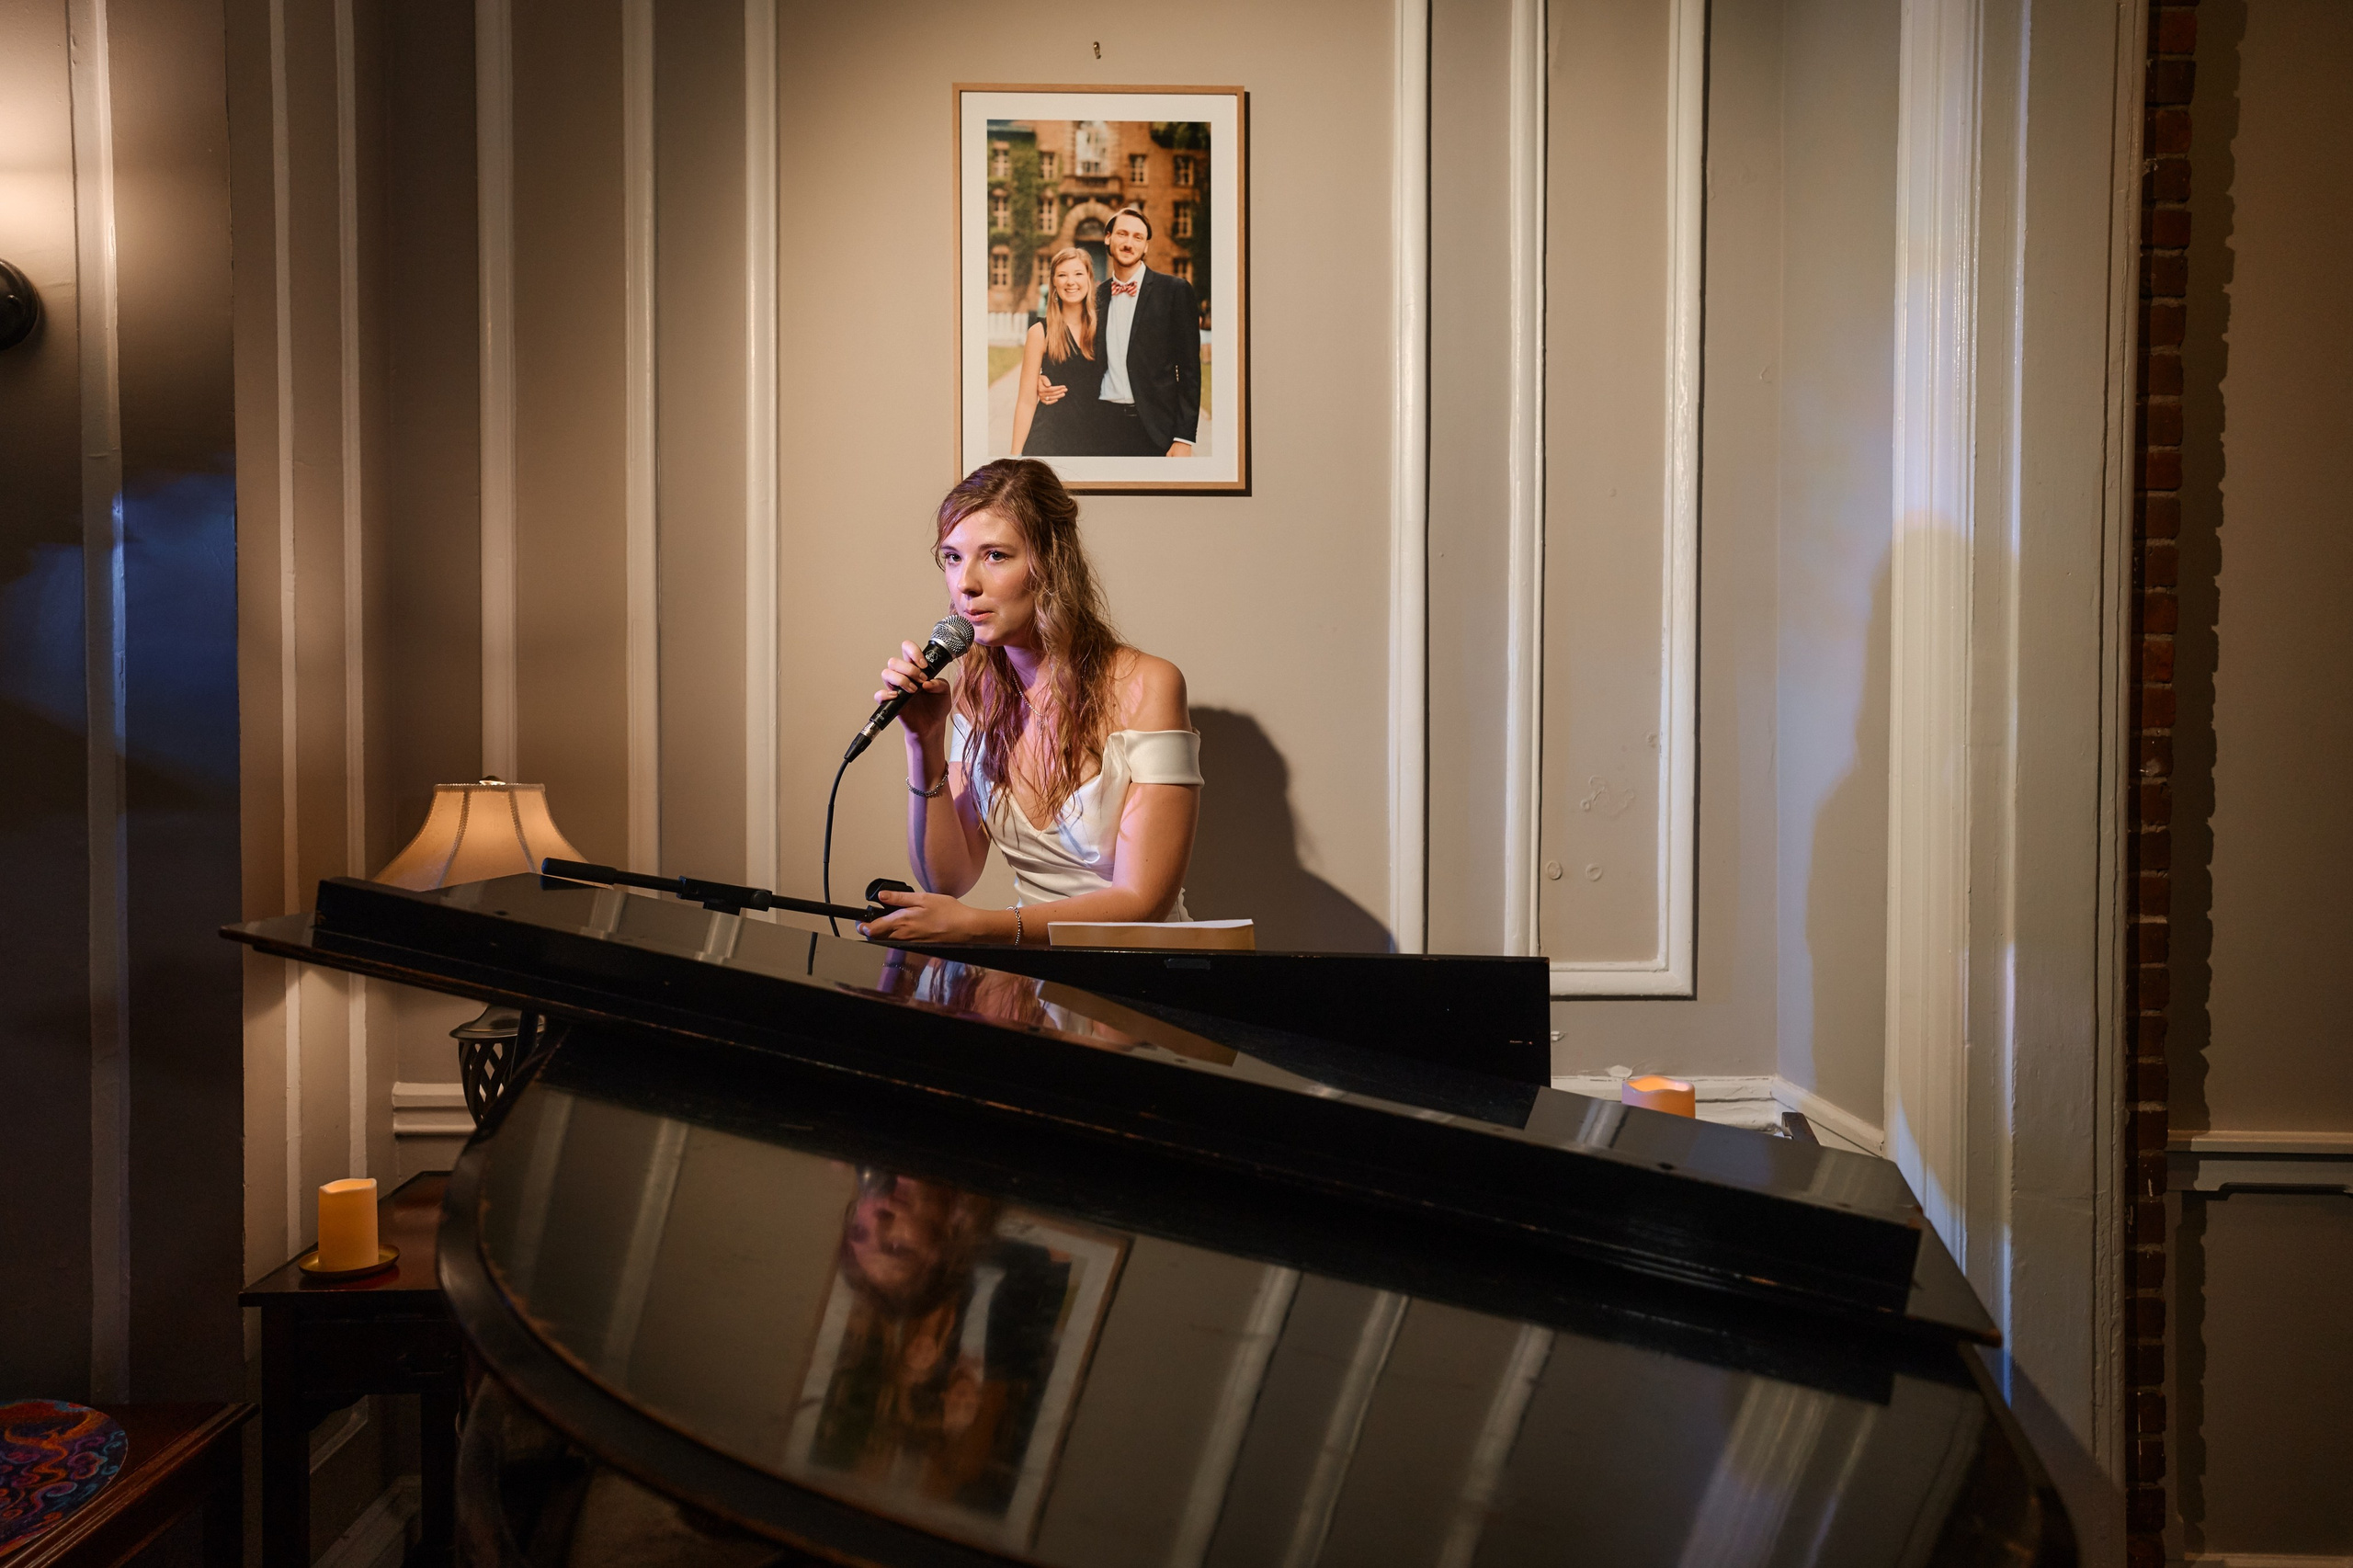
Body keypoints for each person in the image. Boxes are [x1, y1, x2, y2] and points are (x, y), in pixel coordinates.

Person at [859, 459, 1200, 944]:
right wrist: (924, 743)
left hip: (1137, 969)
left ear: (1051, 561)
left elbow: (1144, 901)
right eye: (953, 557)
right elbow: (949, 879)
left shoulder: (1150, 685)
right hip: (1033, 976)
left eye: (995, 555)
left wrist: (984, 926)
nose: (965, 584)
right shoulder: (977, 695)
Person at [1089, 206, 1201, 457]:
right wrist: (1043, 376)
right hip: (1102, 427)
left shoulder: (1174, 291)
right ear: (1108, 238)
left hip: (1155, 429)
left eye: (1138, 237)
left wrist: (1183, 437)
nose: (1129, 243)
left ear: (1146, 246)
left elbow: (1190, 370)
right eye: (1122, 234)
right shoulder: (1096, 297)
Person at [1010, 248, 1109, 457]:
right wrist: (1015, 457)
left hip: (1097, 441)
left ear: (1090, 279)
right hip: (1049, 442)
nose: (1070, 282)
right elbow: (1026, 401)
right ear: (1054, 283)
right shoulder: (1040, 332)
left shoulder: (1105, 328)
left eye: (1078, 274)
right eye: (1062, 275)